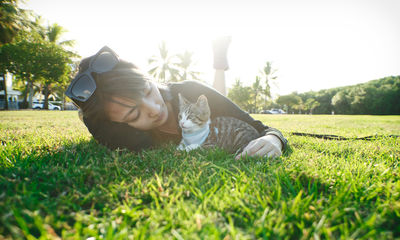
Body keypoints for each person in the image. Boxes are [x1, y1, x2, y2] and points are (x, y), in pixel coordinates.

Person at [66, 42, 288, 159]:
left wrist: (273, 141)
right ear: (120, 123)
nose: (154, 109)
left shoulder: (191, 91)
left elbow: (264, 129)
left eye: (147, 91)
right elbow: (93, 123)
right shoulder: (117, 133)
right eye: (134, 114)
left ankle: (219, 60)